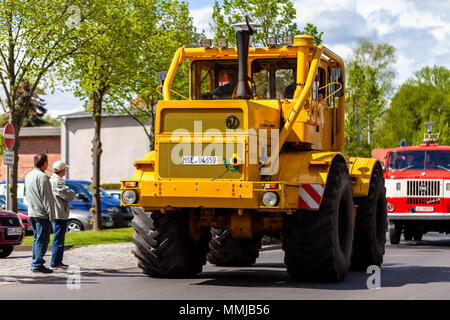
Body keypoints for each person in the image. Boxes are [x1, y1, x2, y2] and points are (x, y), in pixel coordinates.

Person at [25, 154, 55, 273]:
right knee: (42, 239)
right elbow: (47, 198)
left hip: (32, 211)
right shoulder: (43, 177)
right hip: (41, 213)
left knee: (37, 238)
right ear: (44, 163)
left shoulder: (29, 175)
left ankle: (35, 262)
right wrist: (52, 215)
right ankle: (37, 263)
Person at [49, 161, 75, 270]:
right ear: (62, 170)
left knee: (59, 238)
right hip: (59, 213)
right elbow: (69, 194)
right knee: (58, 239)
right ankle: (55, 263)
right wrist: (72, 192)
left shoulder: (55, 180)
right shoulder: (57, 181)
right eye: (65, 169)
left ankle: (58, 261)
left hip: (60, 212)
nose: (66, 171)